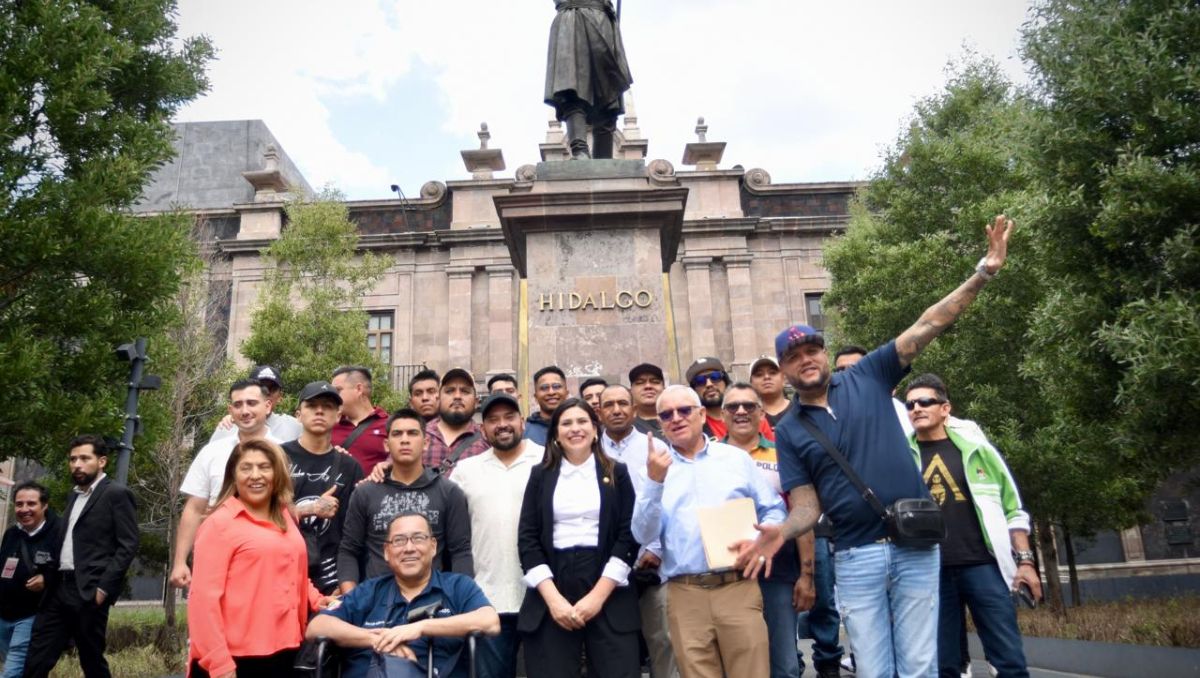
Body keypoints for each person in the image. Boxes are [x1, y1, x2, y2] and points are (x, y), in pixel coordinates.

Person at [738, 215, 1015, 678]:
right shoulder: (789, 429)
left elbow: (929, 323)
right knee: (873, 668)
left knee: (921, 665)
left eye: (812, 350)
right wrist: (782, 532)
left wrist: (983, 272)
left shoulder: (868, 375)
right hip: (855, 555)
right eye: (794, 357)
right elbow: (807, 504)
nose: (806, 360)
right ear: (784, 371)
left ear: (823, 353)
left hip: (915, 545)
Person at [631, 385, 784, 678]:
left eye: (684, 410)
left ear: (702, 414)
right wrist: (653, 483)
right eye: (667, 414)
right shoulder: (652, 472)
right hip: (684, 592)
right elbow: (643, 534)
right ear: (660, 424)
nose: (676, 418)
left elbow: (774, 509)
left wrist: (760, 543)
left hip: (738, 586)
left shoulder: (736, 459)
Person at [904, 373, 1040, 678]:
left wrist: (1026, 562)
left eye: (925, 401)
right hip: (929, 572)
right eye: (910, 404)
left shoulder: (979, 451)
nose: (917, 408)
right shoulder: (901, 457)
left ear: (945, 408)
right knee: (944, 665)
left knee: (1009, 661)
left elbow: (1013, 510)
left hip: (983, 566)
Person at [517, 398, 641, 677]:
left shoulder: (617, 472)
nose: (575, 428)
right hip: (552, 583)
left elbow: (628, 535)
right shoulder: (539, 476)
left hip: (608, 583)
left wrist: (597, 596)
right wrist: (554, 600)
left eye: (582, 421)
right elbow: (527, 538)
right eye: (566, 423)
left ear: (595, 430)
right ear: (556, 434)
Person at [187, 438, 330, 677]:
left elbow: (289, 569)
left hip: (285, 649)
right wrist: (220, 664)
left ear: (278, 474)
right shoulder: (219, 524)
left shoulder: (285, 516)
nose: (255, 475)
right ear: (233, 476)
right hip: (234, 660)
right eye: (246, 468)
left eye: (264, 467)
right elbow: (202, 601)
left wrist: (318, 600)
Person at [308, 513, 501, 678]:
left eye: (418, 538)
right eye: (399, 540)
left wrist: (421, 628)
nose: (409, 548)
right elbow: (317, 626)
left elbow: (489, 621)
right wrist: (379, 640)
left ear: (433, 546)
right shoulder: (369, 591)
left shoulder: (457, 586)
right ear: (386, 551)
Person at [22, 436, 138, 678]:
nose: (77, 464)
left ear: (101, 461)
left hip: (88, 591)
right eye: (73, 459)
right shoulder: (74, 495)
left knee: (91, 661)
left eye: (84, 458)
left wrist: (103, 588)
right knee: (36, 660)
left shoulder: (116, 494)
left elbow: (128, 545)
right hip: (58, 590)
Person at [720, 383, 814, 678]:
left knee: (784, 663)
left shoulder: (783, 454)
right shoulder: (709, 457)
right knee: (735, 663)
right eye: (733, 406)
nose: (741, 411)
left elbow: (803, 513)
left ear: (762, 413)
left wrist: (807, 575)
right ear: (722, 415)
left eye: (749, 405)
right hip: (727, 574)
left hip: (778, 572)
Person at [448, 393, 545, 678]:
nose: (502, 424)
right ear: (482, 429)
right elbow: (450, 530)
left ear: (522, 422)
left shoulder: (547, 459)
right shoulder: (466, 470)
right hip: (487, 599)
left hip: (543, 597)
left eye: (509, 417)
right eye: (493, 419)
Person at [339, 409, 473, 592]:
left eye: (412, 433)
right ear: (386, 445)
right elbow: (349, 550)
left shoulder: (449, 492)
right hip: (375, 600)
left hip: (433, 600)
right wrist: (352, 598)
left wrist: (461, 597)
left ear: (425, 443)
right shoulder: (365, 493)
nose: (404, 440)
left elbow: (461, 552)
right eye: (397, 434)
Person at [597, 385, 678, 678]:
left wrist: (655, 548)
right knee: (616, 647)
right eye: (609, 405)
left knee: (662, 641)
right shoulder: (590, 449)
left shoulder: (656, 447)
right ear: (599, 413)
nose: (616, 410)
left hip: (652, 563)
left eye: (622, 403)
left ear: (634, 410)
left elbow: (671, 501)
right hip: (606, 568)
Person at [170, 379, 281, 589]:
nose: (245, 411)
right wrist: (180, 561)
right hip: (216, 552)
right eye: (238, 405)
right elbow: (194, 508)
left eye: (251, 403)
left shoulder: (285, 451)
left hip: (268, 556)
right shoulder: (212, 451)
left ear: (267, 406)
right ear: (230, 410)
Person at [284, 381, 366, 594]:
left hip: (331, 579)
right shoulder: (277, 458)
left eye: (327, 406)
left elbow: (355, 532)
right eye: (312, 406)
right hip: (282, 568)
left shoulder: (350, 466)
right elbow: (260, 515)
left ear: (338, 415)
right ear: (298, 414)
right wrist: (309, 509)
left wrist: (347, 580)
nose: (319, 411)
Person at [545, 0, 632, 160]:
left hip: (602, 19)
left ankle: (604, 160)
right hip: (571, 19)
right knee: (571, 87)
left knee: (608, 93)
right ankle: (580, 151)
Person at [0, 482, 59, 678]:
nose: (24, 509)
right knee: (22, 670)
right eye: (19, 504)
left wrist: (47, 578)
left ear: (44, 505)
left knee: (12, 672)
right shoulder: (11, 534)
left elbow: (72, 571)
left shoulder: (59, 533)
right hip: (4, 616)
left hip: (32, 617)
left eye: (31, 504)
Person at [685, 357, 773, 441]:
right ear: (694, 390)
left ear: (725, 381)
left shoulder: (753, 415)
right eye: (700, 381)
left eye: (715, 377)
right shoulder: (693, 426)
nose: (709, 384)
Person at [210, 365, 302, 443]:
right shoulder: (227, 427)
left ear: (280, 397)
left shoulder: (293, 427)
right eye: (260, 387)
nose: (266, 392)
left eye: (272, 388)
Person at [423, 368, 489, 474]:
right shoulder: (419, 435)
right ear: (438, 399)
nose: (457, 396)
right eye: (449, 391)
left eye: (465, 391)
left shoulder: (487, 441)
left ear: (476, 402)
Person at [331, 366, 391, 475]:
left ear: (359, 389)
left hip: (375, 486)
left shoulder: (390, 425)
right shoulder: (329, 425)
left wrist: (389, 464)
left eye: (337, 390)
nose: (332, 397)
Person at [525, 366, 567, 446]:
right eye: (544, 388)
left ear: (566, 393)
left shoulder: (579, 427)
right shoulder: (524, 432)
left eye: (556, 386)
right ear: (536, 397)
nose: (551, 392)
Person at [750, 356, 794, 429]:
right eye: (759, 374)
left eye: (772, 373)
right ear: (751, 383)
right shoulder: (748, 416)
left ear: (784, 379)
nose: (766, 377)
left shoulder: (801, 411)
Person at [628, 363, 665, 435]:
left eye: (655, 382)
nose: (648, 386)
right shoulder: (625, 426)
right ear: (631, 391)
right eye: (640, 383)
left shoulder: (678, 418)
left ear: (664, 388)